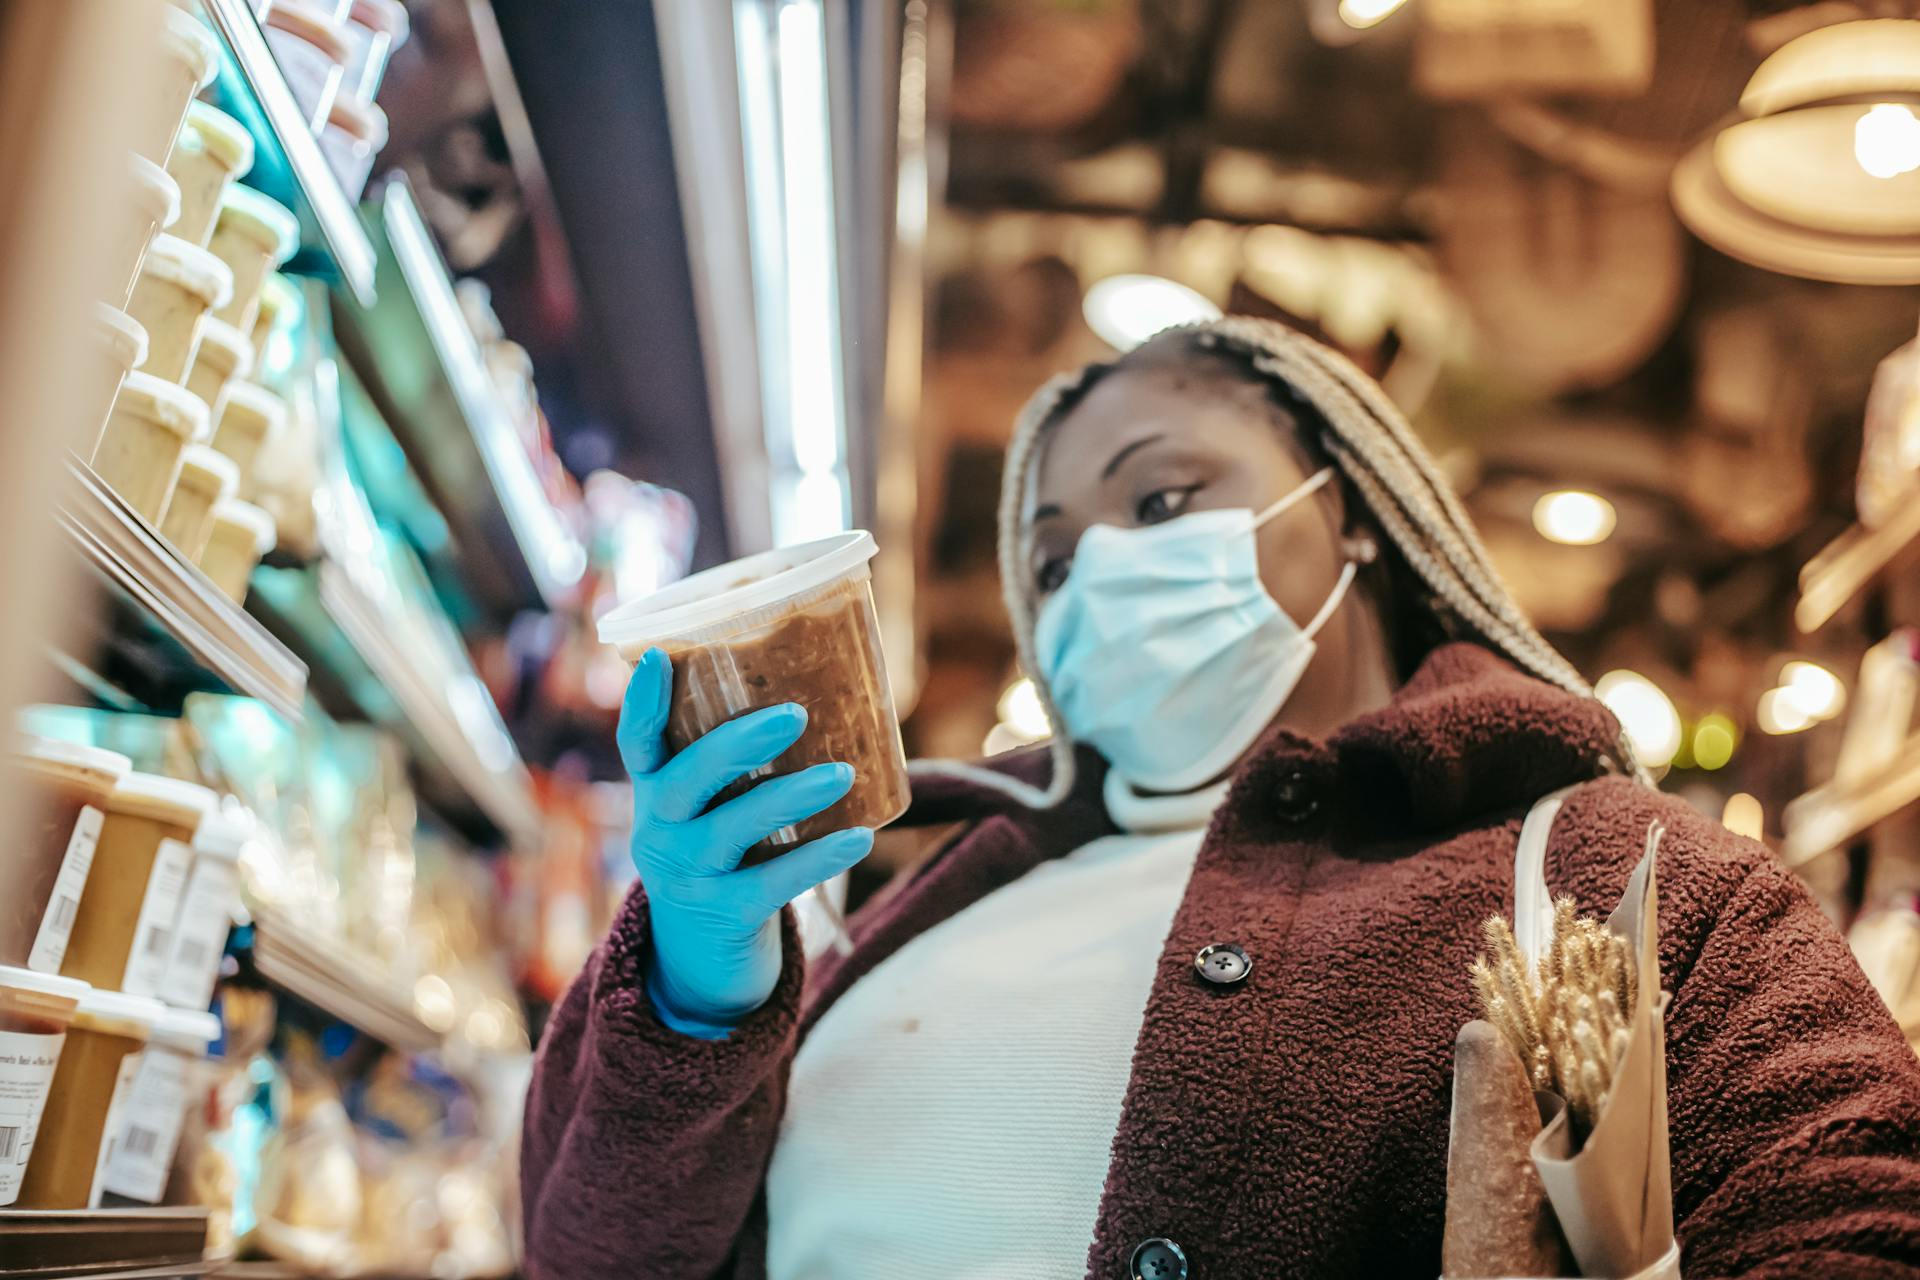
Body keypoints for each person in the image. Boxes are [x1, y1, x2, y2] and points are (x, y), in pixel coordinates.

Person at [520, 318, 1920, 1280]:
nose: (1099, 577)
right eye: (1053, 564)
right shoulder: (895, 899)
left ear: (1352, 501)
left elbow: (1853, 1211)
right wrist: (700, 993)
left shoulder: (1605, 874)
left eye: (1164, 497)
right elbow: (585, 1253)